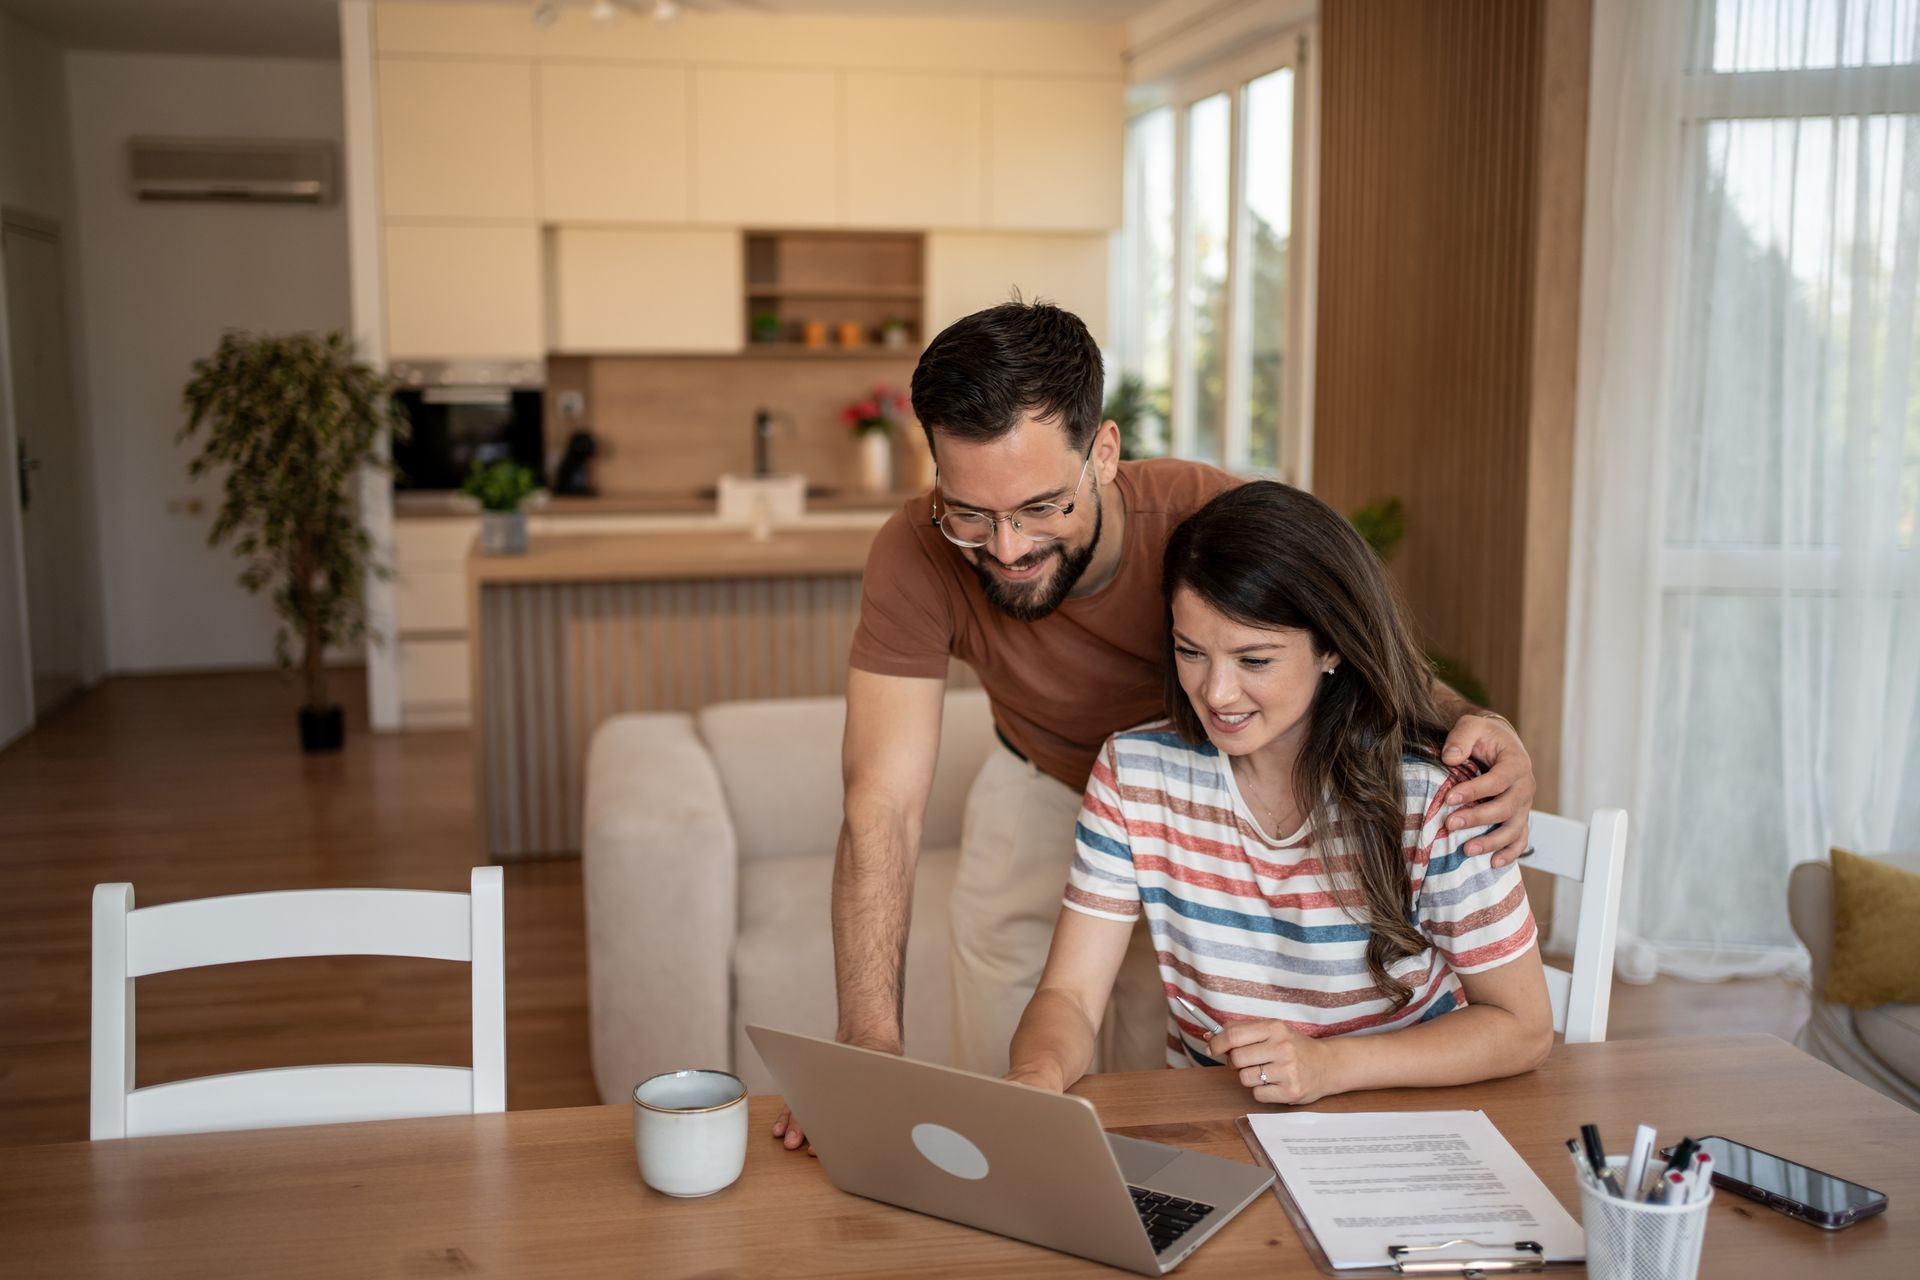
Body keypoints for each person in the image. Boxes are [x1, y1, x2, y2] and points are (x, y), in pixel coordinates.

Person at [774, 302, 1538, 1150]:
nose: (1007, 548)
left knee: (1155, 1081)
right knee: (1006, 1071)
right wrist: (868, 1043)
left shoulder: (1210, 520)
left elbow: (1344, 635)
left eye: (1038, 508)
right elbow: (880, 805)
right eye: (971, 514)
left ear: (1104, 454)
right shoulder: (917, 552)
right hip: (1075, 788)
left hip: (1207, 801)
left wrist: (1474, 721)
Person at [1005, 481, 1553, 1103]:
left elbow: (1523, 1028)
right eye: (1191, 652)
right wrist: (1035, 1081)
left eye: (1255, 660)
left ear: (1333, 649)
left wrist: (1327, 1067)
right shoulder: (1134, 774)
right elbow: (1069, 997)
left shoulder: (1435, 798)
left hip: (1399, 1120)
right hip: (1217, 1126)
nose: (1216, 693)